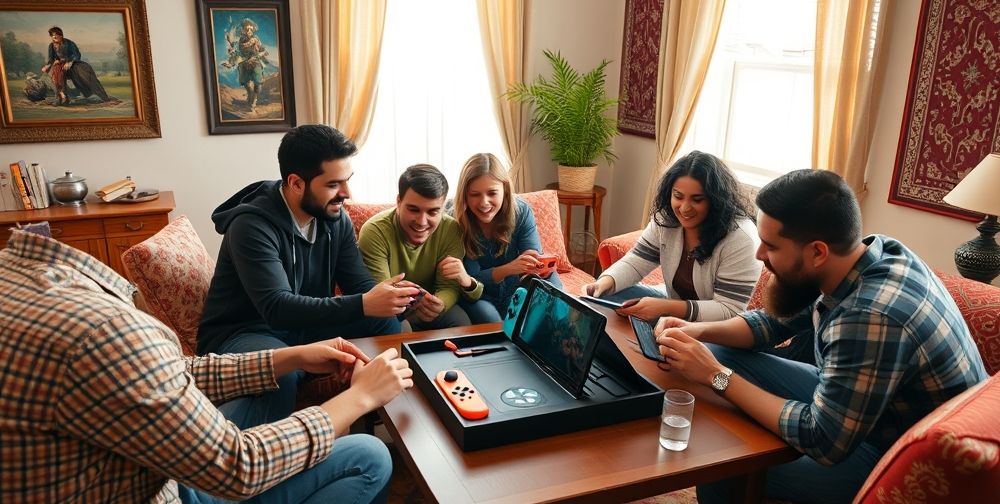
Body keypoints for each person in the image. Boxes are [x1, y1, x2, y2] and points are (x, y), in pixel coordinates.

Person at [0, 227, 414, 503]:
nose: (344, 191)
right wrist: (361, 396)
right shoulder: (105, 328)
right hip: (169, 491)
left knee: (300, 395)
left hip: (141, 468)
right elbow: (239, 466)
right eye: (336, 182)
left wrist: (289, 357)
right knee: (371, 455)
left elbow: (169, 372)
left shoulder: (20, 280)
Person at [652, 170, 989, 504]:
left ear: (817, 252)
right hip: (868, 409)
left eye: (770, 246)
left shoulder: (868, 317)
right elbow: (773, 323)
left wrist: (716, 377)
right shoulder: (874, 253)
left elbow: (823, 438)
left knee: (721, 467)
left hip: (890, 451)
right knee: (721, 353)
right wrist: (697, 330)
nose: (759, 256)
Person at [198, 124, 417, 427]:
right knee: (281, 375)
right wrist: (364, 303)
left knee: (386, 321)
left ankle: (394, 419)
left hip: (303, 326)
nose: (347, 194)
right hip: (246, 332)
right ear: (296, 183)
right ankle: (226, 451)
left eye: (347, 181)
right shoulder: (251, 226)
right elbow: (277, 307)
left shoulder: (333, 218)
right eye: (333, 184)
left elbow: (360, 285)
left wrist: (398, 298)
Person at [581, 151, 761, 322]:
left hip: (713, 328)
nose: (684, 208)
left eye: (697, 199)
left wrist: (665, 307)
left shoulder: (741, 238)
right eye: (678, 196)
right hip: (670, 310)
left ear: (716, 201)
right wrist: (603, 283)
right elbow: (636, 262)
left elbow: (728, 311)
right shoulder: (667, 218)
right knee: (603, 297)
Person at [358, 164, 485, 330]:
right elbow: (382, 293)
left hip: (430, 303)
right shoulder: (375, 231)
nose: (422, 222)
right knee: (399, 328)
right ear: (398, 202)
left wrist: (440, 304)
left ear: (442, 209)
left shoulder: (452, 230)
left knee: (460, 321)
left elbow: (448, 286)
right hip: (391, 307)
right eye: (413, 210)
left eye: (432, 212)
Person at [450, 153, 559, 323]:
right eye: (475, 194)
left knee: (551, 282)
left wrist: (531, 262)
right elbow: (471, 279)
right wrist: (510, 268)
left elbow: (531, 255)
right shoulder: (455, 221)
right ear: (464, 194)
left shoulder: (521, 211)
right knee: (492, 320)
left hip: (516, 287)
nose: (484, 202)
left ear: (505, 189)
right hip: (478, 295)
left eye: (492, 193)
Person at [40, 26, 115, 105]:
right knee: (56, 72)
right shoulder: (51, 46)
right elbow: (51, 59)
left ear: (61, 35)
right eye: (52, 36)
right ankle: (61, 97)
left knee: (84, 75)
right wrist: (47, 65)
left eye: (55, 36)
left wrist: (70, 62)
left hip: (73, 63)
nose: (53, 38)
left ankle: (102, 96)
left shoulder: (69, 43)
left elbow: (77, 55)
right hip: (60, 64)